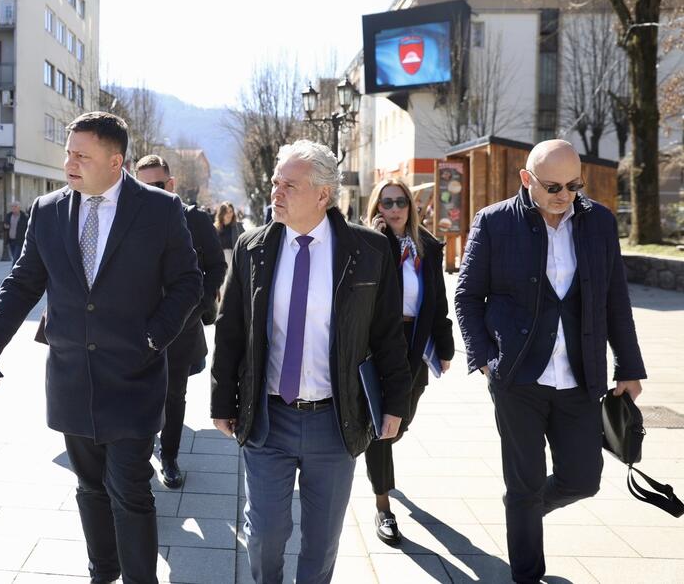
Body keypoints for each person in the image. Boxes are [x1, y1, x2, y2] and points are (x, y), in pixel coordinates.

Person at [0, 111, 202, 584]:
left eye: (81, 155)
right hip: (72, 377)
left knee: (130, 488)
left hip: (134, 376)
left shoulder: (158, 210)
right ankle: (103, 572)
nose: (68, 163)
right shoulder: (48, 209)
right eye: (68, 152)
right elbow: (23, 282)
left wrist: (153, 338)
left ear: (116, 161)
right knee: (90, 487)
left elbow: (188, 283)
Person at [211, 140, 411, 584]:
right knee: (263, 534)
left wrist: (396, 402)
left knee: (321, 543)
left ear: (323, 195)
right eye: (274, 183)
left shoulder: (369, 252)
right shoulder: (253, 248)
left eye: (289, 185)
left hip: (335, 421)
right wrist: (222, 400)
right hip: (268, 418)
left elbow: (387, 336)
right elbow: (230, 331)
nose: (276, 193)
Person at [455, 139, 647, 584]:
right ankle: (527, 570)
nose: (565, 195)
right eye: (554, 186)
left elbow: (615, 296)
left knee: (583, 479)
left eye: (574, 185)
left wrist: (629, 367)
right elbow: (466, 296)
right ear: (527, 180)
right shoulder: (495, 222)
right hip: (518, 375)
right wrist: (485, 359)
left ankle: (522, 513)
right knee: (523, 482)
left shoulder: (598, 222)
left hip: (582, 375)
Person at [362, 178, 455, 546]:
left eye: (401, 201)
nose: (395, 208)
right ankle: (383, 505)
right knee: (381, 428)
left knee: (400, 424)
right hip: (379, 344)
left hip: (415, 343)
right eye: (387, 202)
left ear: (411, 206)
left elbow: (439, 301)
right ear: (377, 207)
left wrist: (445, 347)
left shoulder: (428, 247)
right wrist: (378, 239)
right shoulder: (368, 243)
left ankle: (378, 461)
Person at [134, 154, 227, 489]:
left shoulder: (194, 220)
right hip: (136, 327)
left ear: (170, 185)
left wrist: (196, 305)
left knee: (174, 395)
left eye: (157, 185)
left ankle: (170, 457)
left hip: (180, 328)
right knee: (137, 394)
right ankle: (138, 457)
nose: (151, 193)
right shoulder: (127, 219)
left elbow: (217, 267)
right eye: (142, 186)